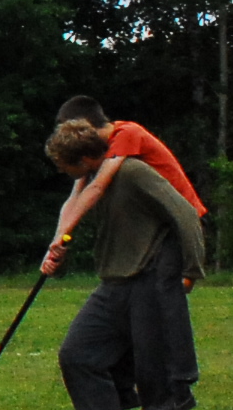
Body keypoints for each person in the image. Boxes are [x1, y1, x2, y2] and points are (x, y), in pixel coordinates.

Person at [45, 118, 205, 410]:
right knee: (78, 353)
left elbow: (186, 214)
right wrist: (59, 257)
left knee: (155, 367)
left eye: (65, 166)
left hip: (152, 277)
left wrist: (192, 269)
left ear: (84, 160)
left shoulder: (132, 172)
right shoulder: (92, 182)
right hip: (114, 281)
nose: (64, 174)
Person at [41, 97, 207, 276]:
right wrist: (56, 242)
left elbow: (97, 187)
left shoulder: (126, 133)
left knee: (166, 282)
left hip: (182, 218)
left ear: (86, 126)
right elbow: (75, 198)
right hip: (156, 222)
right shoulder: (95, 151)